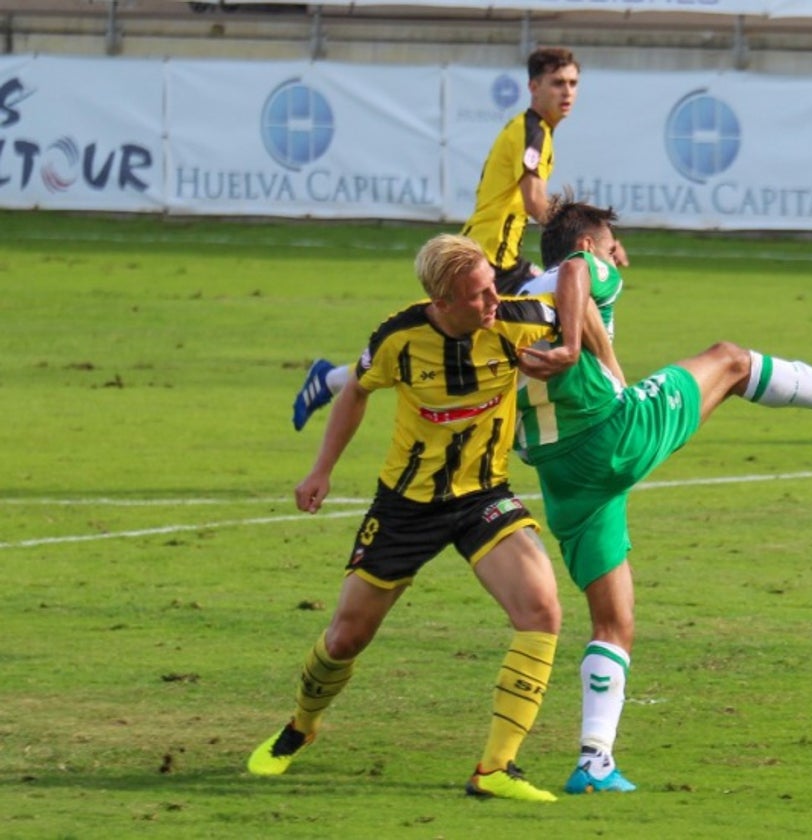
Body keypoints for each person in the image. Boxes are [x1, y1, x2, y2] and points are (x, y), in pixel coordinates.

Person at [513, 195, 812, 794]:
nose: (619, 260)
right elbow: (577, 273)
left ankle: (594, 761)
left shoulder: (514, 300)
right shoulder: (582, 268)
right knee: (728, 361)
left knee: (613, 621)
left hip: (560, 476)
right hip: (612, 437)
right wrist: (577, 346)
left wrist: (598, 354)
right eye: (613, 248)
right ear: (589, 246)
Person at [249, 233, 599, 803]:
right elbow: (355, 392)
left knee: (542, 610)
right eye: (479, 296)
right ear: (442, 302)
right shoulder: (399, 337)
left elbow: (578, 287)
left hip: (483, 497)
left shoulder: (522, 318)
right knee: (345, 637)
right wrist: (321, 470)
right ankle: (301, 726)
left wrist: (575, 349)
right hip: (406, 507)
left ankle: (495, 768)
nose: (493, 301)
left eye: (492, 287)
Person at [290, 47, 600, 433]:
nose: (566, 91)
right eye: (557, 83)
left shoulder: (537, 130)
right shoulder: (532, 130)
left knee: (570, 302)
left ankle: (333, 379)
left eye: (572, 83)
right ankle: (577, 408)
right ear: (533, 87)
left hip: (504, 260)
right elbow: (536, 202)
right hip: (487, 263)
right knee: (564, 303)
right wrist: (581, 232)